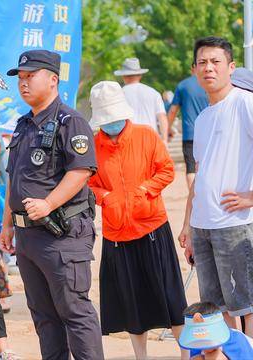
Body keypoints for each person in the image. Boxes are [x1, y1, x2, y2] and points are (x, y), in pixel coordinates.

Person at [0, 50, 104, 359]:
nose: (24, 83)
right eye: (20, 78)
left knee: (74, 310)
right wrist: (7, 223)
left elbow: (81, 171)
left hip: (61, 234)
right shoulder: (23, 125)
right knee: (44, 316)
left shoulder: (70, 122)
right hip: (28, 236)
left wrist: (48, 203)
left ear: (53, 79)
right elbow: (14, 178)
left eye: (31, 76)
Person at [88, 81, 188, 358]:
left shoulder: (146, 135)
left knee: (170, 296)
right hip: (117, 232)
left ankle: (186, 353)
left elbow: (166, 170)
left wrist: (146, 189)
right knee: (131, 300)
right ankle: (140, 355)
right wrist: (105, 196)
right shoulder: (94, 146)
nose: (111, 125)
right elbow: (88, 183)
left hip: (152, 225)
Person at [179, 36, 253, 337]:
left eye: (216, 62)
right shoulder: (204, 118)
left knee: (246, 304)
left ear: (230, 67)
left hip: (234, 224)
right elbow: (200, 173)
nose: (209, 68)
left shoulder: (244, 104)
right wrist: (188, 225)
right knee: (216, 307)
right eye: (202, 63)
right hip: (203, 225)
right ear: (194, 70)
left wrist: (251, 197)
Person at [167, 65, 209, 189]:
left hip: (190, 134)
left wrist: (168, 128)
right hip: (209, 132)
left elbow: (173, 110)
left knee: (191, 168)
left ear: (192, 68)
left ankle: (194, 197)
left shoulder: (183, 85)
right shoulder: (209, 83)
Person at [114, 57, 169, 143]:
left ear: (124, 76)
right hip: (151, 139)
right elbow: (162, 117)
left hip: (128, 140)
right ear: (140, 75)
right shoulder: (153, 93)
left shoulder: (118, 94)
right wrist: (164, 140)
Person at [179, 302, 253, 359]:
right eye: (199, 342)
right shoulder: (194, 344)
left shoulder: (237, 342)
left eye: (206, 341)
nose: (203, 346)